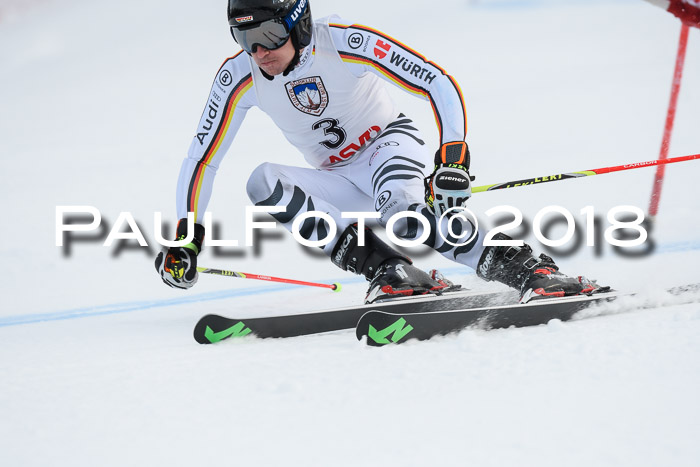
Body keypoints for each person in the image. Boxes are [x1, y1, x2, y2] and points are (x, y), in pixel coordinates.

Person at [155, 0, 606, 303]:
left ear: (298, 22)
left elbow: (437, 82)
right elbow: (202, 158)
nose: (258, 51)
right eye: (243, 38)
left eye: (271, 34)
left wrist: (452, 158)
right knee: (263, 182)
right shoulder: (238, 77)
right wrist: (184, 235)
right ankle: (391, 271)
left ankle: (529, 269)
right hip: (339, 175)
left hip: (388, 146)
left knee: (404, 216)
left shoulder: (345, 43)